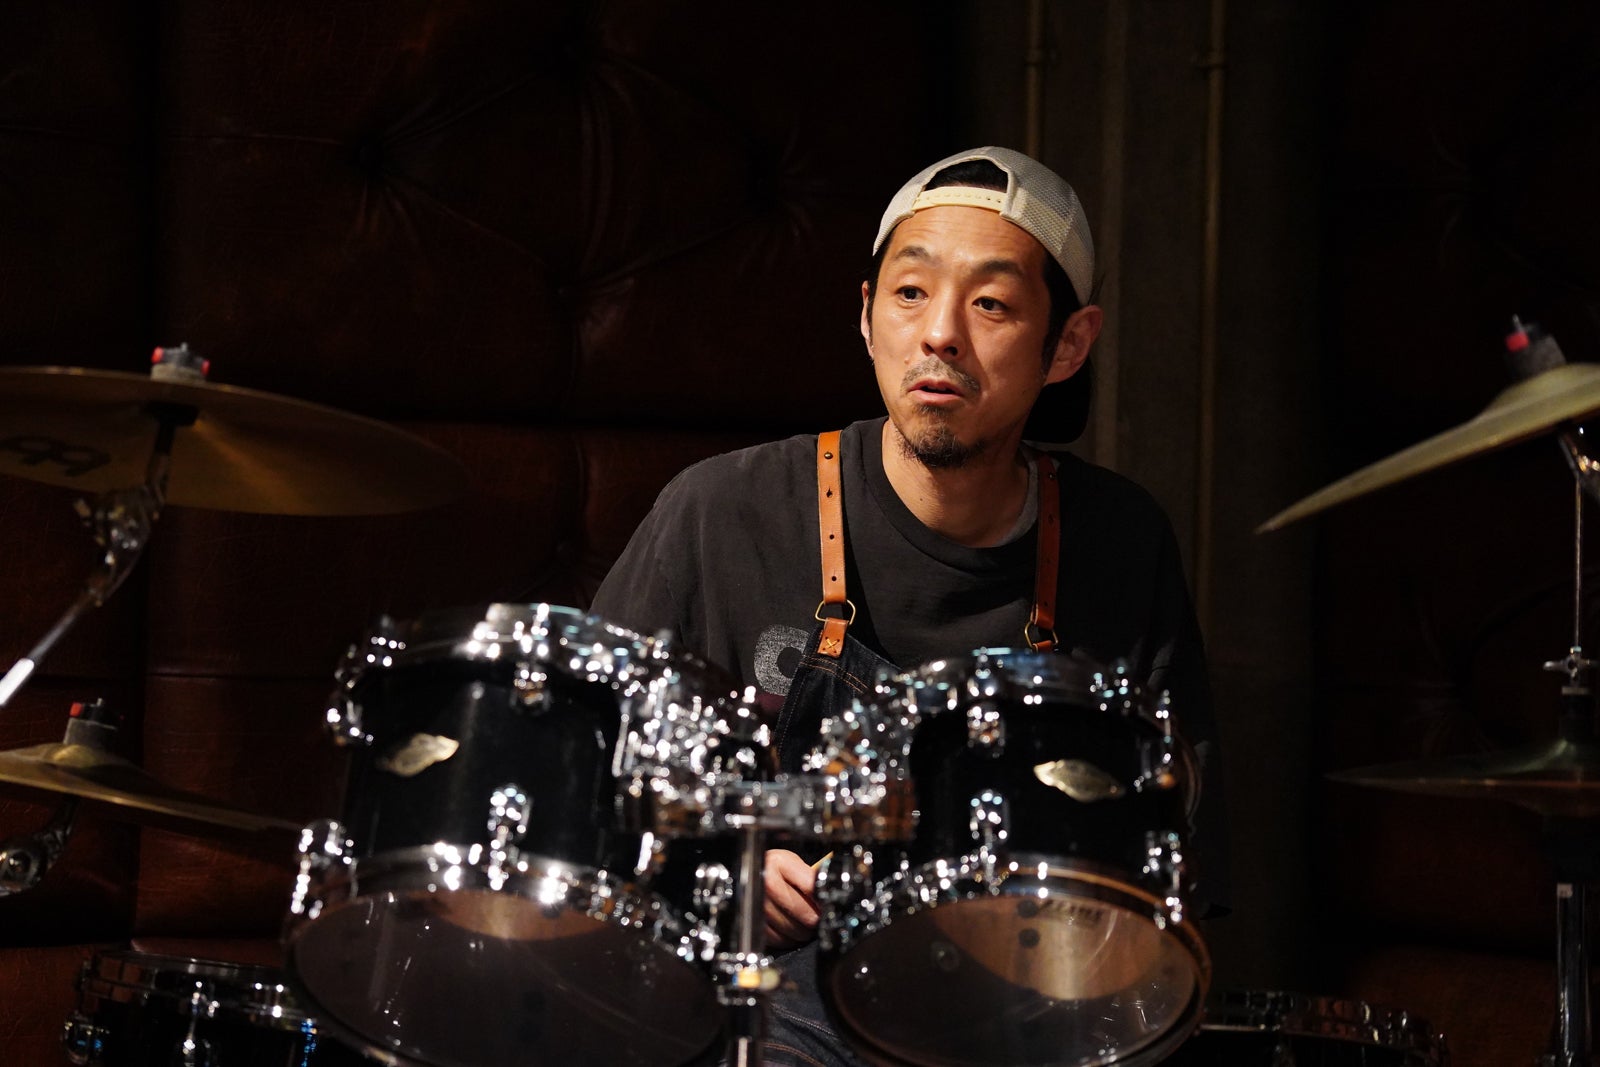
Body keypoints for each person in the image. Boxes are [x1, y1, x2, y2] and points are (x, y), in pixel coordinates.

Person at [590, 146, 1225, 1067]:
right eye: (911, 292)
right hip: (759, 1013)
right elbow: (579, 782)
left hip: (1025, 1019)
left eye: (992, 304)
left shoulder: (1121, 543)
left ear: (1069, 344)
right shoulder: (720, 511)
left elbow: (1176, 865)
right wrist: (716, 863)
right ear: (866, 315)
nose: (941, 334)